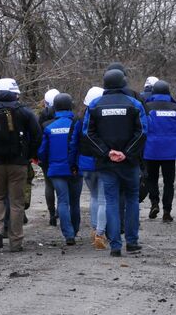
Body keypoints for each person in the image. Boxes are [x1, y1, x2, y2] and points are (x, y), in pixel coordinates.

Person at [84, 69, 147, 257]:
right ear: (124, 83)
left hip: (106, 163)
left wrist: (107, 152)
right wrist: (126, 154)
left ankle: (115, 245)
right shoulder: (134, 104)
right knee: (132, 200)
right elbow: (142, 131)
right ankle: (133, 242)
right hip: (129, 163)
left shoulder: (95, 105)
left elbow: (88, 133)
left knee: (111, 201)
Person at [0, 78, 41, 252]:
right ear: (15, 93)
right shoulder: (23, 111)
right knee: (16, 202)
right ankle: (16, 241)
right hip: (18, 163)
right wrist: (29, 155)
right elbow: (37, 135)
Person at [38, 93, 83, 245]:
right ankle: (75, 230)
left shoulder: (48, 127)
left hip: (56, 171)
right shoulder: (78, 124)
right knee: (75, 201)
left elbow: (42, 152)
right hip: (75, 169)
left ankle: (68, 234)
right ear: (71, 105)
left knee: (62, 201)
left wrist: (45, 163)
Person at [145, 80, 176, 222]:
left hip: (151, 151)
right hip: (170, 153)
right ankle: (167, 211)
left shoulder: (146, 108)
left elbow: (140, 128)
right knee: (168, 182)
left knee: (151, 179)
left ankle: (154, 203)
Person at [69, 86, 108, 250]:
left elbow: (73, 143)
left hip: (85, 164)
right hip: (103, 162)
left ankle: (94, 230)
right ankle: (100, 232)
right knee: (103, 200)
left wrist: (73, 164)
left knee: (93, 197)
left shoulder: (79, 120)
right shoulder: (106, 120)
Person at [38, 88, 60, 226]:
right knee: (62, 184)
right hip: (61, 155)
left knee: (49, 184)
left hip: (46, 156)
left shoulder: (41, 118)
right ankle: (60, 211)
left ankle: (51, 213)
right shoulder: (65, 116)